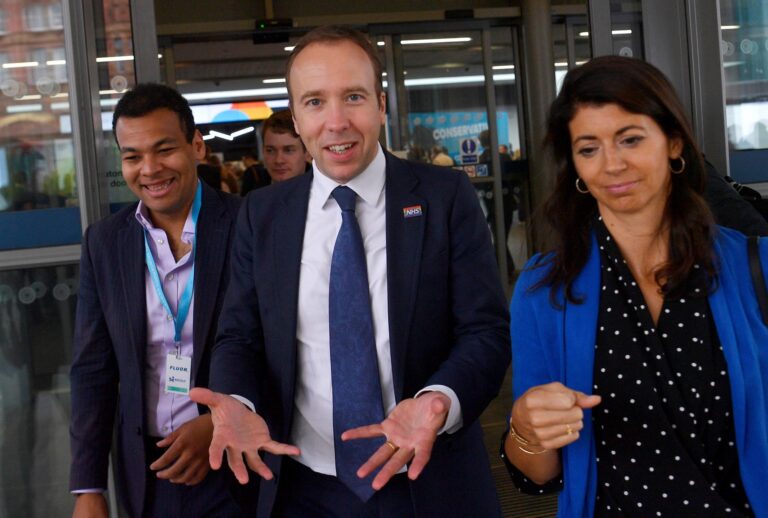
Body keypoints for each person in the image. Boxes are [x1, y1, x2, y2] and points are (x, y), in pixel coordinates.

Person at [190, 25, 510, 517]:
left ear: (381, 105)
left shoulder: (444, 197)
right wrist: (238, 400)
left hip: (429, 479)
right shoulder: (263, 214)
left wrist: (439, 400)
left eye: (354, 97)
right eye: (315, 102)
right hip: (304, 487)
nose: (336, 122)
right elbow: (238, 335)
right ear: (297, 116)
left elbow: (485, 331)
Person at [503, 55, 768, 517]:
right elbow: (538, 475)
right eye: (589, 149)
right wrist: (526, 429)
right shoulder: (544, 291)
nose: (612, 164)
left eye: (630, 139)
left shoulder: (756, 268)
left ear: (674, 142)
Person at [69, 84, 250, 518]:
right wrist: (88, 487)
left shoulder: (248, 224)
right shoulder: (105, 242)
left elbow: (277, 349)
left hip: (236, 463)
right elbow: (92, 370)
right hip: (147, 470)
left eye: (164, 150)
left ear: (197, 146)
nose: (149, 169)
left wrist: (223, 417)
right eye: (132, 156)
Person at [261, 109, 311, 183]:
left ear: (308, 153)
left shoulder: (325, 189)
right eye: (270, 151)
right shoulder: (254, 190)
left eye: (288, 150)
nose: (278, 160)